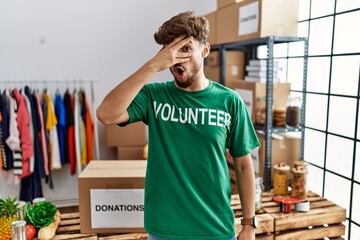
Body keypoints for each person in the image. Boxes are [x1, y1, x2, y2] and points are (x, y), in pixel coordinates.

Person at [97, 11, 260, 240]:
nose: (177, 60)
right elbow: (106, 114)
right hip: (164, 231)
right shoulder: (154, 96)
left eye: (185, 49)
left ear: (205, 50)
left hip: (215, 230)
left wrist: (249, 224)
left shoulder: (229, 101)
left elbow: (243, 166)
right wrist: (153, 65)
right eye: (170, 51)